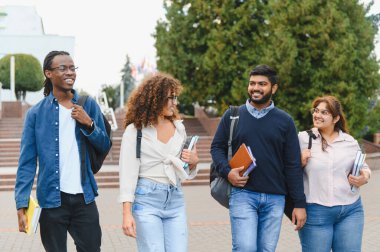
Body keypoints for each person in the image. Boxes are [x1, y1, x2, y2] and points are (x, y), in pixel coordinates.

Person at [15, 51, 111, 252]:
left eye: (72, 68)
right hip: (51, 201)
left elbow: (104, 145)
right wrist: (21, 202)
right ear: (48, 73)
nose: (70, 72)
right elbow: (27, 162)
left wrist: (89, 123)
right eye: (63, 68)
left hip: (84, 198)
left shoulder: (88, 105)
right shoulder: (35, 114)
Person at [211, 64, 307, 252]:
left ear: (274, 88)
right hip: (242, 194)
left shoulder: (285, 121)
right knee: (245, 248)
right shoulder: (232, 116)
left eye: (262, 84)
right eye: (252, 83)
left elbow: (292, 165)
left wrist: (299, 204)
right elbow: (217, 148)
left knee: (266, 249)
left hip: (275, 198)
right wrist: (228, 171)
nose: (255, 88)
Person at [118, 72, 200, 252]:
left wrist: (193, 161)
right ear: (154, 98)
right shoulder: (135, 131)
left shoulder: (179, 128)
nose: (175, 103)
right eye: (170, 97)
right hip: (147, 201)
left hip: (175, 199)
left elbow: (183, 167)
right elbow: (127, 175)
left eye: (175, 97)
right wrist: (126, 214)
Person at [298, 95, 371, 252]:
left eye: (324, 112)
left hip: (350, 210)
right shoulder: (303, 139)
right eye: (316, 111)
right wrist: (300, 162)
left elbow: (364, 168)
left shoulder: (349, 141)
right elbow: (288, 171)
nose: (317, 115)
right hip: (315, 212)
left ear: (336, 118)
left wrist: (363, 177)